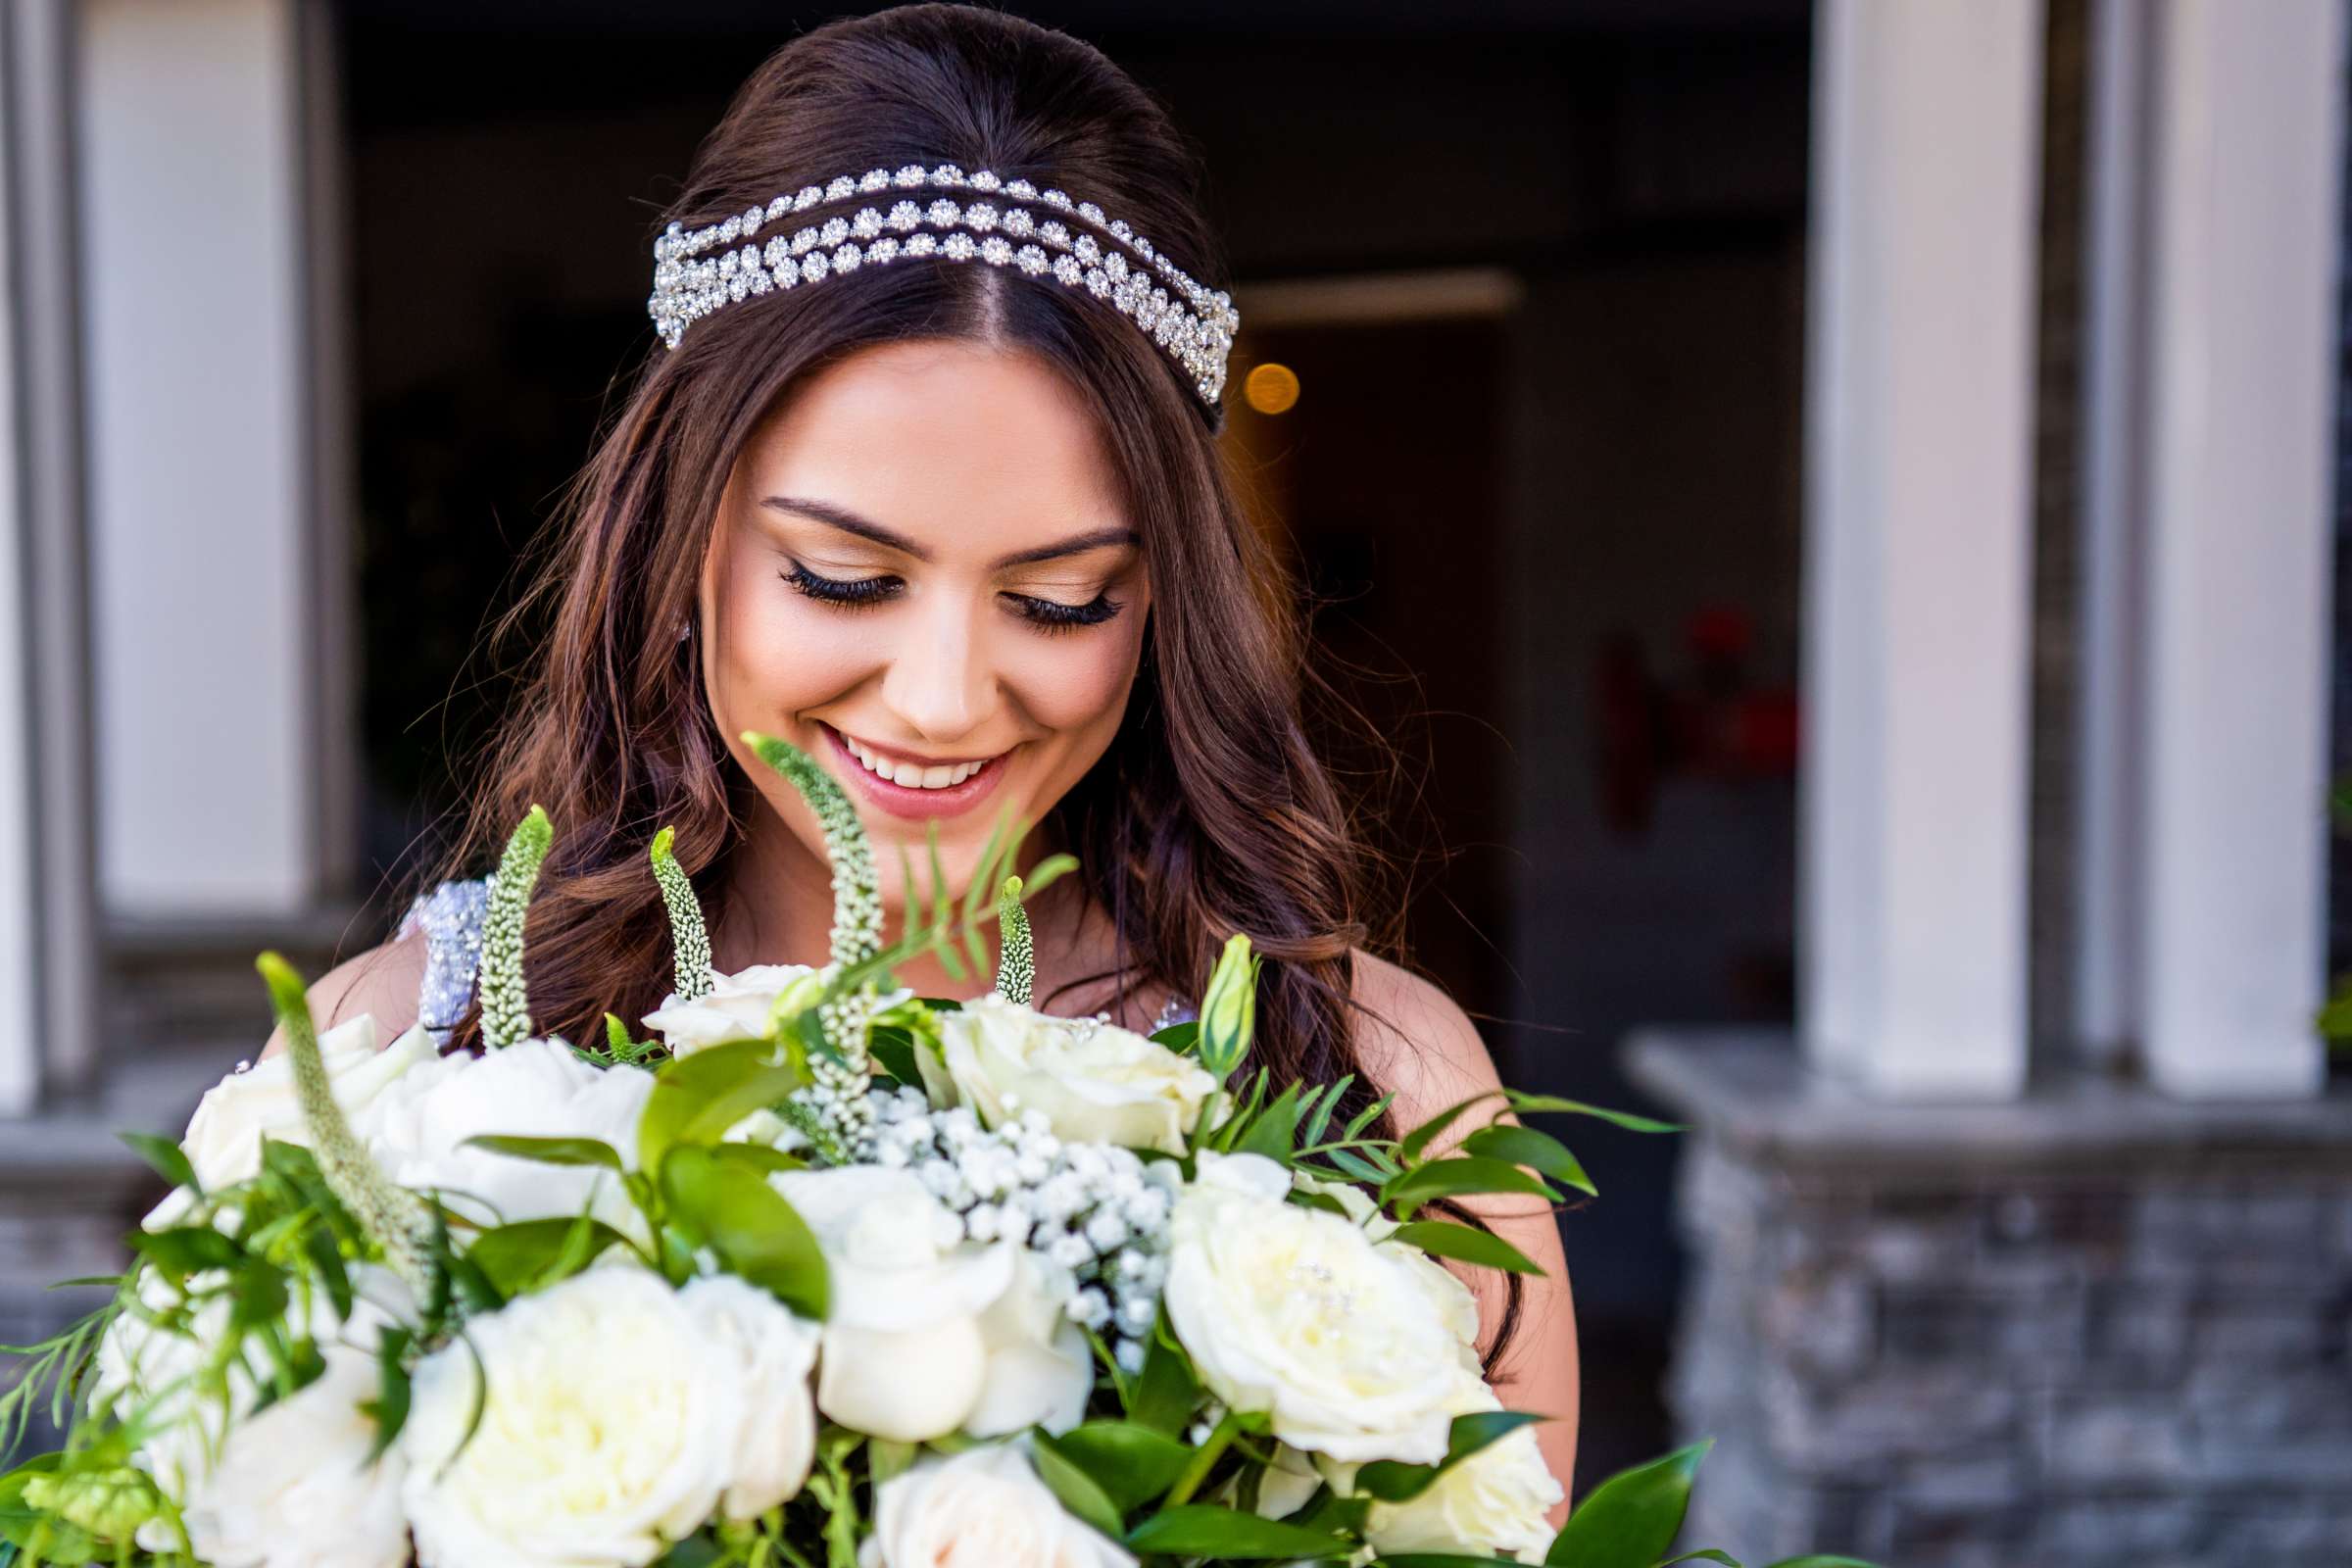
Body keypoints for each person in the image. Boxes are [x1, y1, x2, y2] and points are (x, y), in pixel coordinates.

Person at [266, 0, 1578, 1505]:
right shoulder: (384, 1079)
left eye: (1060, 599)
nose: (948, 699)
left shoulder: (1380, 1087)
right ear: (675, 546)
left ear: (1162, 606)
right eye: (843, 579)